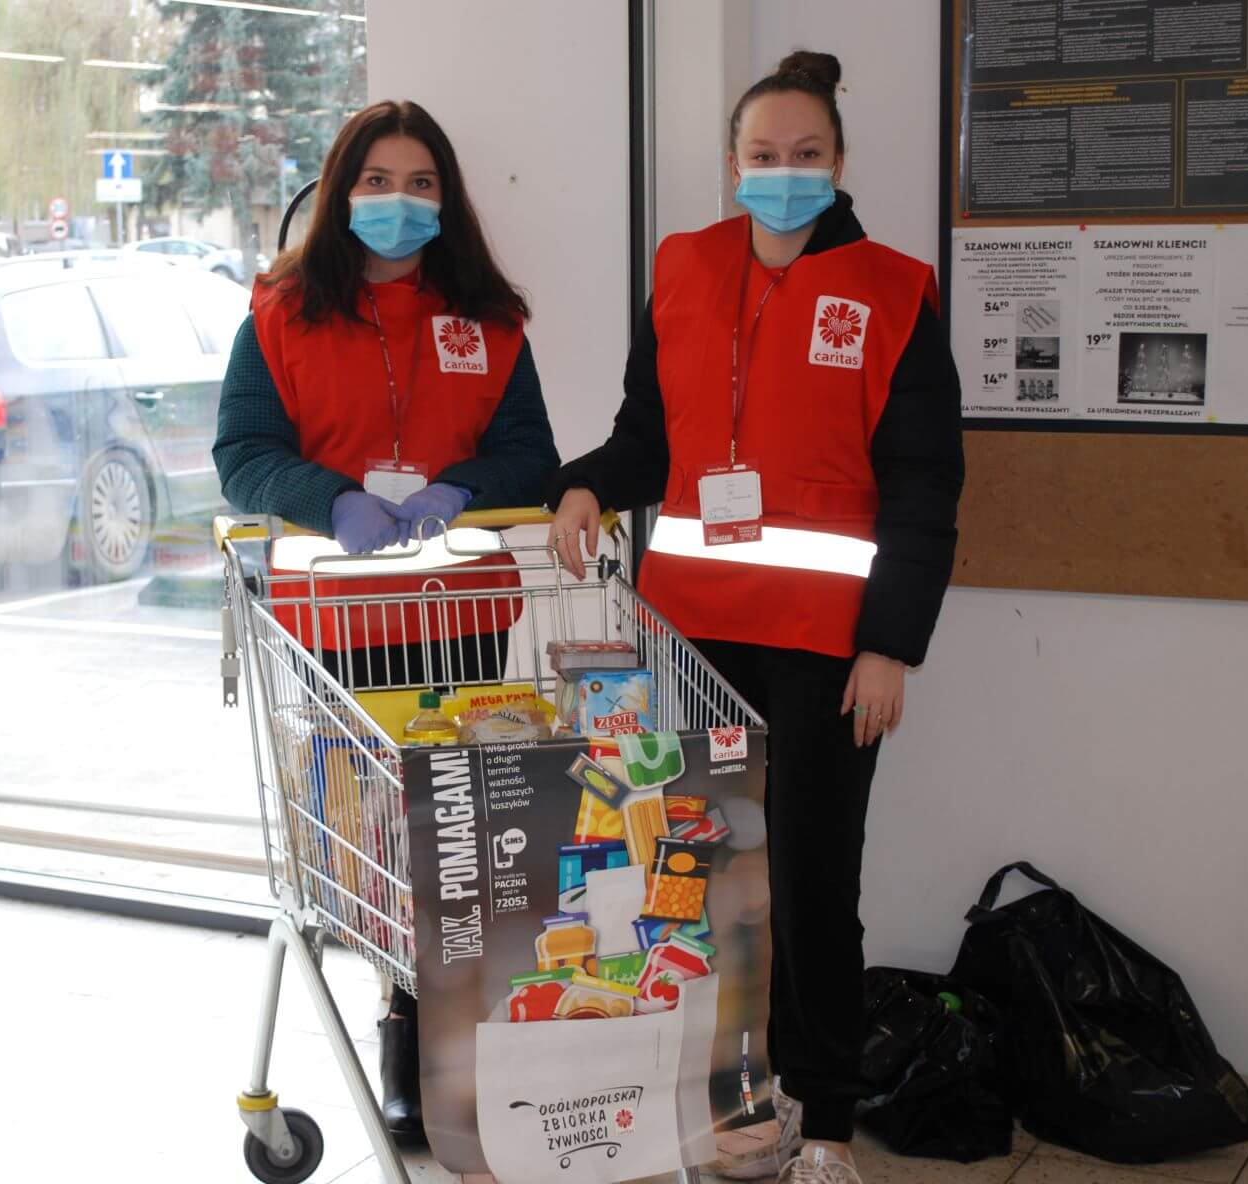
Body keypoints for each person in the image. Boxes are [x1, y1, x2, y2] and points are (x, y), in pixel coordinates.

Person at [547, 51, 964, 1184]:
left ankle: (821, 1119)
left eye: (806, 154)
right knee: (687, 874)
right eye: (763, 154)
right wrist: (586, 483)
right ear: (731, 162)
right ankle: (714, 1093)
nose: (784, 172)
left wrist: (889, 645)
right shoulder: (684, 266)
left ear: (838, 161)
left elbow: (924, 485)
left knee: (812, 882)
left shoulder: (894, 290)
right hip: (688, 632)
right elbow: (648, 436)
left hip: (826, 649)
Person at [214, 99, 560, 1143]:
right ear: (340, 192)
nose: (397, 202)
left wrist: (460, 488)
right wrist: (331, 500)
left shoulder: (487, 320)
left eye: (419, 183)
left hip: (460, 619)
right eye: (376, 181)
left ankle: (454, 1039)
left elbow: (530, 455)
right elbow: (243, 454)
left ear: (445, 198)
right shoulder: (280, 313)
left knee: (460, 842)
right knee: (371, 843)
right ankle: (400, 1025)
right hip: (333, 625)